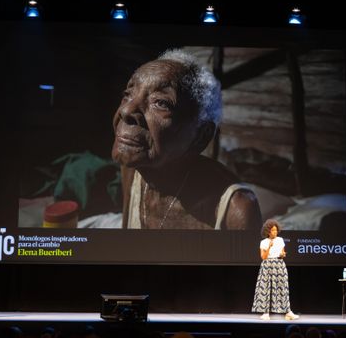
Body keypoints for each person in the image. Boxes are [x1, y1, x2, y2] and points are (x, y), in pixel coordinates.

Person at [112, 49, 262, 230]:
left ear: (201, 135)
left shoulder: (235, 211)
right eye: (128, 94)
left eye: (161, 102)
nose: (126, 111)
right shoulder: (133, 169)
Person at [252, 219, 298, 320]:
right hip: (267, 265)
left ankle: (288, 312)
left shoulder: (280, 240)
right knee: (266, 288)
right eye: (273, 230)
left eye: (276, 230)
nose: (275, 232)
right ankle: (265, 313)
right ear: (268, 231)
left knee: (283, 288)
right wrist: (269, 246)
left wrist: (282, 255)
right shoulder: (263, 242)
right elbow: (263, 257)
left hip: (279, 265)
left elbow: (282, 254)